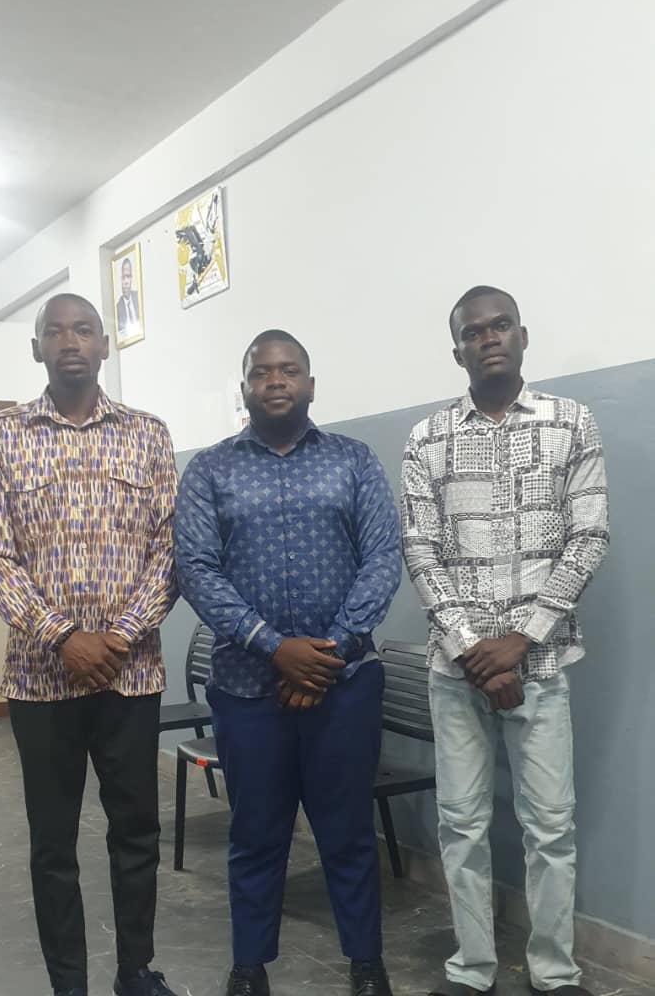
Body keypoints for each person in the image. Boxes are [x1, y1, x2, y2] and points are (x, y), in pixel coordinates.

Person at [174, 329, 402, 996]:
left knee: (347, 833)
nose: (275, 381)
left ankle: (366, 965)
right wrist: (275, 648)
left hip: (344, 685)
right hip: (247, 690)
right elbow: (196, 569)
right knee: (255, 833)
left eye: (289, 370)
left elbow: (382, 557)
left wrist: (328, 653)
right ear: (244, 387)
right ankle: (249, 967)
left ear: (310, 384)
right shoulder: (209, 470)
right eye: (261, 372)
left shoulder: (353, 461)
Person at [401, 286, 609, 996]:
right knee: (461, 825)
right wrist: (473, 650)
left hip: (541, 663)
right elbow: (420, 550)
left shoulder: (571, 423)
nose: (487, 338)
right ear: (456, 349)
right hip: (455, 671)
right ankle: (472, 968)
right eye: (472, 331)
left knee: (549, 828)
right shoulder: (427, 439)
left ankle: (554, 972)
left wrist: (522, 638)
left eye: (500, 326)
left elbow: (588, 537)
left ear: (522, 336)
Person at [0, 294, 179, 996]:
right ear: (36, 348)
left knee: (136, 833)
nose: (70, 341)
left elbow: (170, 551)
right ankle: (68, 985)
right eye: (55, 331)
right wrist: (63, 637)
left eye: (83, 330)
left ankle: (137, 971)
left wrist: (120, 636)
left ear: (105, 345)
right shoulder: (4, 437)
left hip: (131, 676)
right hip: (40, 681)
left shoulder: (148, 434)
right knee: (52, 845)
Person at [116, 257, 141, 337]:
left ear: (132, 279)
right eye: (123, 277)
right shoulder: (118, 308)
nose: (126, 282)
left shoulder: (139, 298)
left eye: (128, 277)